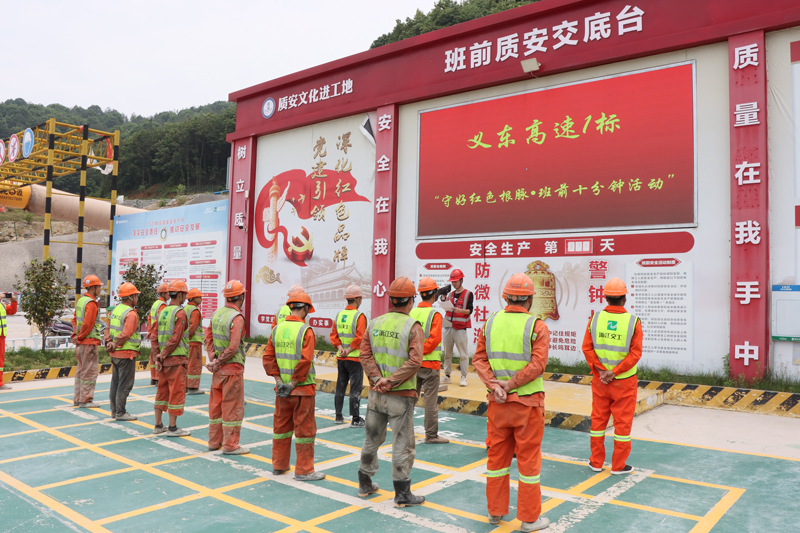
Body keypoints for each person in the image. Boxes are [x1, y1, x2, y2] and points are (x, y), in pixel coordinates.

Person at [473, 273, 550, 532]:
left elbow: (479, 359)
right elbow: (537, 365)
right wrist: (511, 384)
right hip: (527, 406)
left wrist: (495, 386)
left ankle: (495, 512)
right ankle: (529, 519)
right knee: (528, 462)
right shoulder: (537, 326)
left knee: (497, 460)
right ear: (530, 300)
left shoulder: (490, 322)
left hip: (498, 405)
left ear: (506, 297)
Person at [357, 277, 425, 507]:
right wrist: (392, 381)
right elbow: (415, 361)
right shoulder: (413, 326)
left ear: (391, 299)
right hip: (401, 395)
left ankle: (364, 483)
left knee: (372, 439)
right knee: (402, 443)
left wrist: (378, 380)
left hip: (376, 393)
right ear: (411, 300)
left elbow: (364, 355)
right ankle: (402, 493)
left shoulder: (375, 323)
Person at [263, 290, 325, 481]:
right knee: (305, 430)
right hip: (302, 390)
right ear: (305, 308)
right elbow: (306, 361)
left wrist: (279, 382)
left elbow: (268, 358)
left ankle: (279, 465)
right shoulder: (306, 331)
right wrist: (293, 383)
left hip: (282, 391)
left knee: (281, 428)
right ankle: (304, 470)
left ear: (291, 307)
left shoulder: (277, 329)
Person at [582, 277, 642, 476]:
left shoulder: (595, 319)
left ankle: (596, 462)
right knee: (622, 424)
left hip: (600, 381)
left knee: (598, 422)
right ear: (624, 298)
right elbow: (635, 354)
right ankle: (618, 466)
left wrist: (601, 371)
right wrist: (614, 372)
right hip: (624, 383)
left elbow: (587, 348)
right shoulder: (633, 322)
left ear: (606, 298)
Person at [205, 280, 249, 455]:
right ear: (241, 297)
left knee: (216, 406)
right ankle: (230, 444)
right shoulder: (236, 318)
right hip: (232, 369)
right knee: (232, 407)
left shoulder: (217, 313)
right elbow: (233, 346)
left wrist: (213, 357)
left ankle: (214, 442)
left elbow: (208, 337)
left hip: (218, 371)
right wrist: (219, 361)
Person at [410, 277, 448, 444]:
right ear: (434, 294)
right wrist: (421, 351)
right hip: (430, 365)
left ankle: (403, 431)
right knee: (430, 402)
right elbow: (434, 340)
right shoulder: (435, 315)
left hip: (412, 364)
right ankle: (431, 436)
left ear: (420, 294)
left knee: (409, 400)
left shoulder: (411, 313)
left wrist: (415, 353)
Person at [153, 280, 191, 437]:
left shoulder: (162, 312)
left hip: (163, 361)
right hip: (176, 360)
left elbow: (154, 335)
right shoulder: (180, 313)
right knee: (176, 392)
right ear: (180, 294)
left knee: (162, 391)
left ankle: (158, 425)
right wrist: (163, 354)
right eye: (185, 295)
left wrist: (158, 356)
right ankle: (172, 428)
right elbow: (176, 338)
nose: (186, 298)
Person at [330, 284, 368, 427]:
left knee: (340, 387)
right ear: (358, 299)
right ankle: (355, 419)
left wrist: (341, 348)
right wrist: (350, 350)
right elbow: (360, 337)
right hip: (354, 358)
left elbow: (334, 335)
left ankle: (338, 416)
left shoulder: (339, 315)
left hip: (341, 358)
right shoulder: (359, 316)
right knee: (355, 389)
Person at [105, 282, 141, 421]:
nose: (137, 297)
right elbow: (126, 334)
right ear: (131, 297)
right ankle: (120, 412)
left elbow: (108, 328)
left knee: (115, 383)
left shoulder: (115, 310)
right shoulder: (130, 314)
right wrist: (115, 343)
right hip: (126, 353)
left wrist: (109, 342)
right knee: (124, 384)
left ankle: (114, 411)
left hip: (115, 353)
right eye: (135, 295)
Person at [71, 275, 104, 408]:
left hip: (81, 343)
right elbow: (88, 324)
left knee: (81, 371)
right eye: (99, 287)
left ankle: (78, 398)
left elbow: (75, 320)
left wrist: (76, 335)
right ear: (93, 288)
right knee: (89, 372)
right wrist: (80, 337)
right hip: (88, 342)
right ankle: (85, 400)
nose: (100, 289)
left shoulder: (81, 301)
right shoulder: (91, 303)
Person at [441, 268, 473, 387]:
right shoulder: (450, 294)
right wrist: (443, 302)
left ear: (461, 280)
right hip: (447, 325)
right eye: (452, 281)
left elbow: (470, 310)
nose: (453, 283)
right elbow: (447, 309)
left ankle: (464, 376)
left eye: (455, 281)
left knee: (463, 354)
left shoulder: (468, 294)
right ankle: (447, 375)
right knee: (447, 353)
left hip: (460, 327)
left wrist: (459, 310)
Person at [184, 288, 205, 395]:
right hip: (194, 342)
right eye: (199, 297)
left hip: (187, 342)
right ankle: (193, 388)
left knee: (187, 364)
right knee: (195, 365)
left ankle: (186, 386)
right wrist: (188, 337)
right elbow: (192, 327)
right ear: (194, 298)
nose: (201, 299)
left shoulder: (185, 309)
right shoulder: (195, 311)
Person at [148, 282, 169, 386]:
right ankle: (158, 378)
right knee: (159, 356)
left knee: (153, 356)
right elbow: (160, 320)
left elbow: (149, 318)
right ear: (163, 293)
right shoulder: (162, 306)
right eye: (168, 293)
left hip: (154, 334)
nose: (169, 295)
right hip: (159, 335)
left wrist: (150, 331)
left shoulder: (155, 304)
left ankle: (153, 378)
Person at [0, 291, 18, 390]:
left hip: (1, 336)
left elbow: (12, 311)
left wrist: (13, 302)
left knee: (0, 360)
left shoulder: (2, 305)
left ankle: (0, 382)